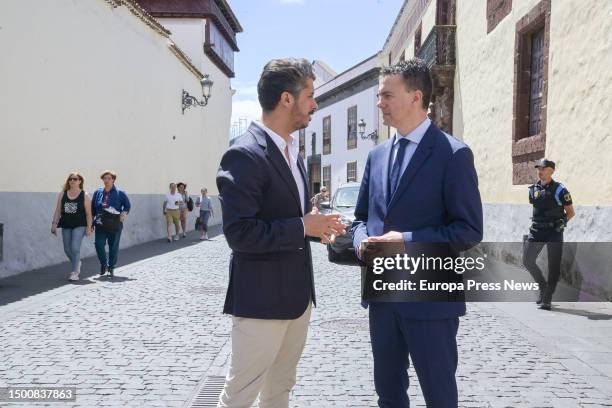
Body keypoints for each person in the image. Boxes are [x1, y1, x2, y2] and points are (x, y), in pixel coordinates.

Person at [351, 59, 483, 407]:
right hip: (382, 297)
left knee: (439, 396)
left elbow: (468, 230)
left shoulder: (453, 155)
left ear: (415, 97)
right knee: (389, 395)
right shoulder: (377, 156)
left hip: (431, 301)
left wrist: (406, 242)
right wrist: (359, 241)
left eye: (386, 95)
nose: (379, 103)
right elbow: (361, 217)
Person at [216, 58, 346, 408]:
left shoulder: (294, 154)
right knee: (239, 396)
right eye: (310, 95)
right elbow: (240, 233)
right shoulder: (244, 154)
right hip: (260, 302)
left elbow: (290, 218)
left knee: (279, 392)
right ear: (287, 99)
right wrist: (303, 226)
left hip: (298, 300)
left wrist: (315, 226)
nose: (315, 104)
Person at [522, 158, 575, 310]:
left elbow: (570, 213)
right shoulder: (533, 189)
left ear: (551, 171)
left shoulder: (560, 190)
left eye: (543, 169)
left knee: (554, 266)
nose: (540, 171)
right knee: (527, 260)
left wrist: (561, 223)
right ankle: (543, 286)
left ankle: (547, 297)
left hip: (554, 232)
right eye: (538, 168)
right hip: (537, 230)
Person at [51, 172, 93, 281]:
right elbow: (58, 210)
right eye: (70, 179)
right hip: (66, 224)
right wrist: (54, 224)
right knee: (67, 249)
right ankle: (77, 263)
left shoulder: (85, 195)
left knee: (75, 247)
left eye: (75, 179)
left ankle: (75, 272)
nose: (72, 181)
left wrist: (89, 227)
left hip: (80, 224)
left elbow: (89, 213)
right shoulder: (63, 194)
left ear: (80, 181)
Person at [92, 170, 131, 278]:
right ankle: (103, 264)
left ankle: (111, 267)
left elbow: (127, 206)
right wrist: (90, 223)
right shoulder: (98, 192)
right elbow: (92, 209)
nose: (106, 180)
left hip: (115, 224)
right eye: (105, 178)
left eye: (109, 178)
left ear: (113, 179)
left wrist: (123, 214)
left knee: (113, 246)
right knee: (98, 244)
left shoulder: (120, 193)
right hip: (100, 223)